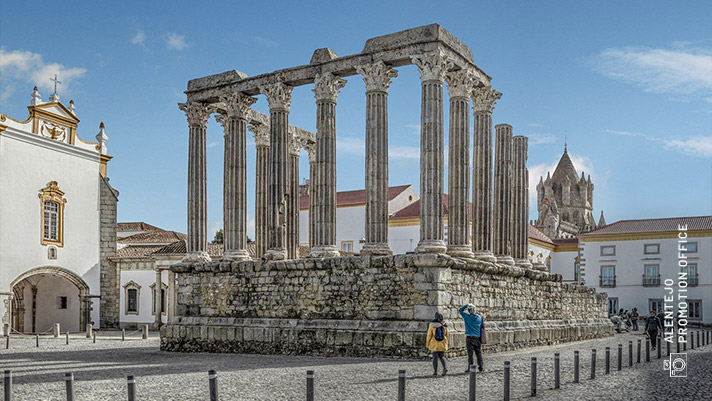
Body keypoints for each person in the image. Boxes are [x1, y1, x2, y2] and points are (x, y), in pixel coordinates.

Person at [459, 304, 484, 372]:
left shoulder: (467, 317)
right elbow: (482, 327)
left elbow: (460, 310)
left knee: (470, 354)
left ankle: (470, 367)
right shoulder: (480, 318)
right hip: (478, 338)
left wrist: (466, 305)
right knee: (478, 353)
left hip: (470, 338)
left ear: (469, 311)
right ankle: (481, 366)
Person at [426, 312, 448, 376]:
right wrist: (446, 344)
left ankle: (435, 372)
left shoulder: (432, 324)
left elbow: (429, 335)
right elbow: (446, 335)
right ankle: (445, 368)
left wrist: (427, 344)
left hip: (434, 344)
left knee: (435, 358)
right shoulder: (444, 325)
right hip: (442, 344)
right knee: (442, 357)